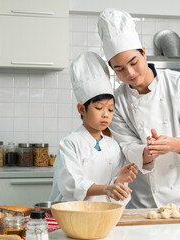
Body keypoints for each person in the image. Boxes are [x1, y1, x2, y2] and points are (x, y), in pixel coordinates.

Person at [97, 8, 180, 208]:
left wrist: (172, 144)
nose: (130, 73)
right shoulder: (116, 102)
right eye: (119, 69)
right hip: (146, 202)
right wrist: (147, 152)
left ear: (143, 52)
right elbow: (126, 146)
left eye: (133, 62)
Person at [49, 51, 138, 203]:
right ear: (82, 109)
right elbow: (71, 185)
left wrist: (119, 182)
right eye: (99, 108)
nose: (106, 115)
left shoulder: (113, 146)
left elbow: (114, 195)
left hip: (102, 216)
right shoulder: (70, 143)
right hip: (73, 216)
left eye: (110, 109)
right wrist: (107, 188)